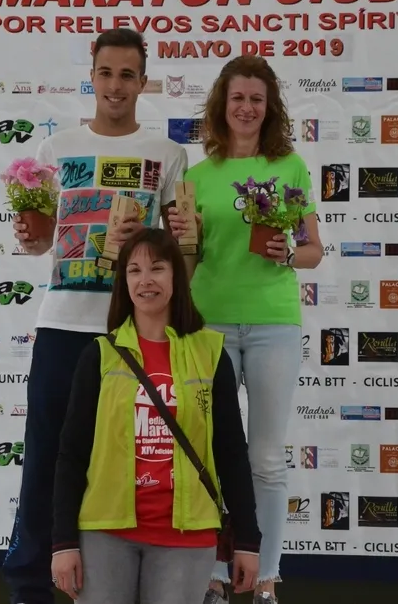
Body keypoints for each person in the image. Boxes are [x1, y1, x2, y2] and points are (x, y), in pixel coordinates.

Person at [3, 28, 189, 604]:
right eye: (106, 73)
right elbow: (39, 245)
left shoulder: (167, 155)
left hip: (128, 331)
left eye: (127, 75)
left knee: (120, 462)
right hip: (62, 324)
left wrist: (148, 242)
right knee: (44, 458)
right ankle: (30, 587)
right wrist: (29, 236)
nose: (115, 85)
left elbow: (180, 254)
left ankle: (112, 585)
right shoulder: (55, 150)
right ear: (92, 76)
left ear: (143, 81)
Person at [167, 55, 324, 604]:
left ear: (269, 107)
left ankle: (267, 577)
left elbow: (313, 250)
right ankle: (213, 574)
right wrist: (183, 239)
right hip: (209, 323)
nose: (247, 108)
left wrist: (289, 253)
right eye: (238, 98)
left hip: (274, 324)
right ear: (222, 104)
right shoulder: (196, 177)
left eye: (257, 99)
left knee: (266, 459)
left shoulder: (291, 168)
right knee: (210, 454)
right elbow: (187, 263)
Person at [50, 228, 261, 604]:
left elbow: (231, 452)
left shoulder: (211, 353)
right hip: (104, 533)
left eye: (157, 268)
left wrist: (247, 539)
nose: (145, 280)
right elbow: (72, 454)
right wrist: (63, 542)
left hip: (187, 537)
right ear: (124, 282)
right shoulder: (99, 355)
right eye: (134, 270)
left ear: (177, 277)